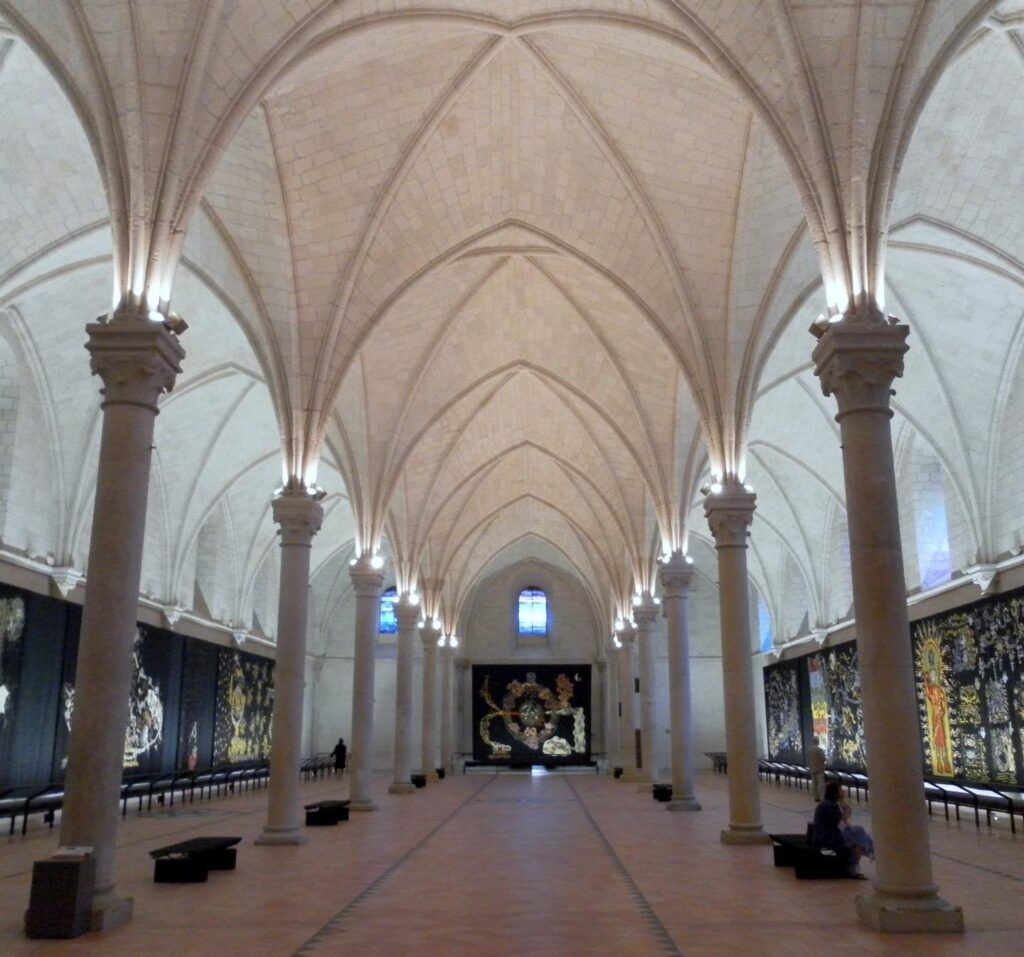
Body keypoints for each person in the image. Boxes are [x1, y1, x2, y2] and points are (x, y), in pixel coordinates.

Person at [812, 781, 864, 878]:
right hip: (827, 838)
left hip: (827, 835)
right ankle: (851, 869)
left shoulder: (829, 804)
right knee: (858, 844)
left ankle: (851, 866)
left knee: (859, 834)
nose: (843, 791)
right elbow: (841, 824)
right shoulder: (829, 806)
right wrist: (846, 810)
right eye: (840, 789)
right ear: (836, 793)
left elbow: (842, 824)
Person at [840, 790, 875, 861]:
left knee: (861, 834)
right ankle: (870, 850)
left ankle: (870, 850)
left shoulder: (833, 805)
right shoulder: (835, 806)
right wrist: (846, 810)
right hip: (838, 833)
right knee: (859, 832)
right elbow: (843, 820)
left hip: (839, 831)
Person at [808, 735, 826, 801]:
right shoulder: (819, 749)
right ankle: (822, 798)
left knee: (814, 784)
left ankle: (816, 797)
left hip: (812, 768)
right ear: (817, 741)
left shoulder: (809, 749)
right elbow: (824, 758)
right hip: (819, 769)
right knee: (821, 784)